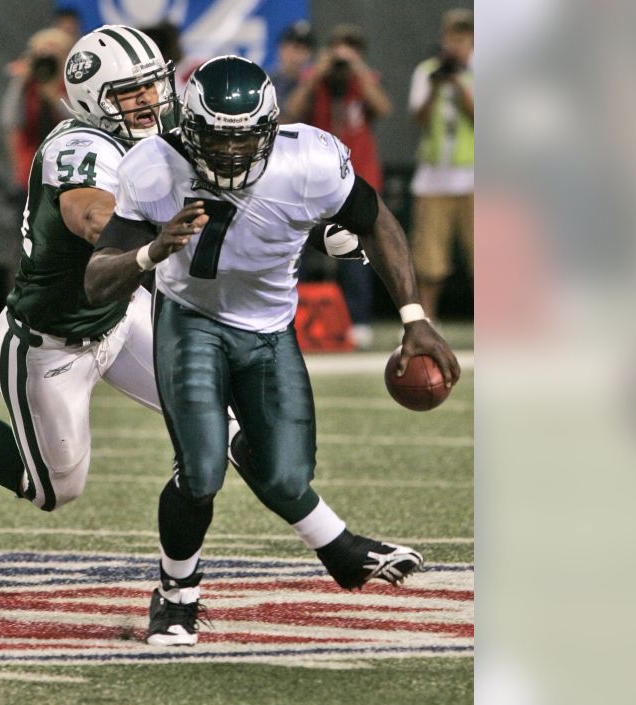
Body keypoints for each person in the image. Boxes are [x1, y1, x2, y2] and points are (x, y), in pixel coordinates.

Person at [84, 56, 461, 646]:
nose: (232, 154)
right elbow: (95, 278)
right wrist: (152, 252)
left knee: (287, 477)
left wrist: (414, 316)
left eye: (245, 139)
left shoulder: (309, 158)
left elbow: (377, 220)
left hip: (269, 331)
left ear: (270, 129)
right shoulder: (153, 166)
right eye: (217, 139)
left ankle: (337, 550)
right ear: (189, 128)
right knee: (202, 469)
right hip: (191, 322)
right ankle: (176, 594)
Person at [0, 25, 198, 512]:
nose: (149, 100)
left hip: (123, 314)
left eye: (153, 84)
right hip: (50, 341)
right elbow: (89, 213)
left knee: (216, 415)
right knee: (51, 490)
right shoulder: (79, 148)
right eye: (131, 91)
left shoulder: (149, 138)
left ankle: (318, 535)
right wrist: (151, 235)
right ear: (93, 99)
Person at [284, 24, 393, 349]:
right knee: (296, 248)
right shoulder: (315, 81)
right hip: (313, 180)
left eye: (352, 49)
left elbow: (384, 107)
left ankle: (359, 320)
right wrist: (317, 73)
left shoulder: (365, 80)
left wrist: (357, 69)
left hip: (358, 178)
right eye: (339, 49)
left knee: (356, 251)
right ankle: (290, 318)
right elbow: (292, 109)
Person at [409, 9, 474, 323]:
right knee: (429, 260)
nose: (458, 42)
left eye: (464, 36)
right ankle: (426, 320)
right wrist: (438, 85)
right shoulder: (427, 72)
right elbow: (419, 118)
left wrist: (460, 83)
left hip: (474, 178)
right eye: (453, 36)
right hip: (433, 178)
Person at [0, 28, 75, 209]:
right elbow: (9, 119)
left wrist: (54, 98)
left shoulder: (73, 85)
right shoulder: (28, 86)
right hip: (30, 172)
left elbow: (80, 120)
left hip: (68, 172)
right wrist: (22, 80)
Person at [270, 20, 315, 105]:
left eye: (305, 49)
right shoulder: (267, 82)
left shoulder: (316, 82)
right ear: (281, 49)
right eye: (296, 48)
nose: (299, 56)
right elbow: (285, 115)